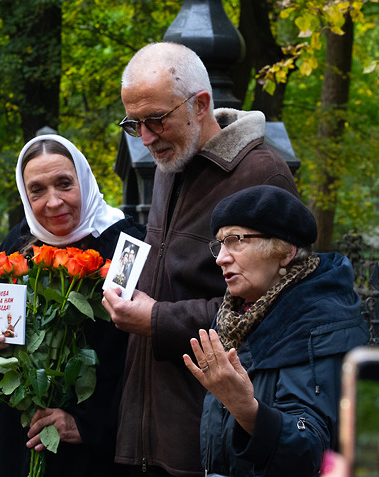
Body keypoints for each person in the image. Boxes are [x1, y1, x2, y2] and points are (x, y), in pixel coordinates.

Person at [102, 42, 299, 476]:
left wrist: (156, 320)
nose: (147, 138)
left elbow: (275, 309)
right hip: (144, 436)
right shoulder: (169, 164)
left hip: (211, 435)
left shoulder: (260, 175)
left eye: (156, 120)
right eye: (134, 124)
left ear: (201, 104)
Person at [0, 134, 145, 477]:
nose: (53, 202)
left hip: (91, 450)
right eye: (36, 191)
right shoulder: (19, 243)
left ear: (84, 180)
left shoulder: (125, 247)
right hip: (17, 439)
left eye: (64, 184)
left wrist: (88, 424)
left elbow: (137, 355)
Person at [182, 185, 369, 477]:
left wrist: (246, 409)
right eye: (219, 244)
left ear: (285, 251)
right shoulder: (238, 315)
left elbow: (311, 452)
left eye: (235, 240)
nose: (220, 257)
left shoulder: (316, 325)